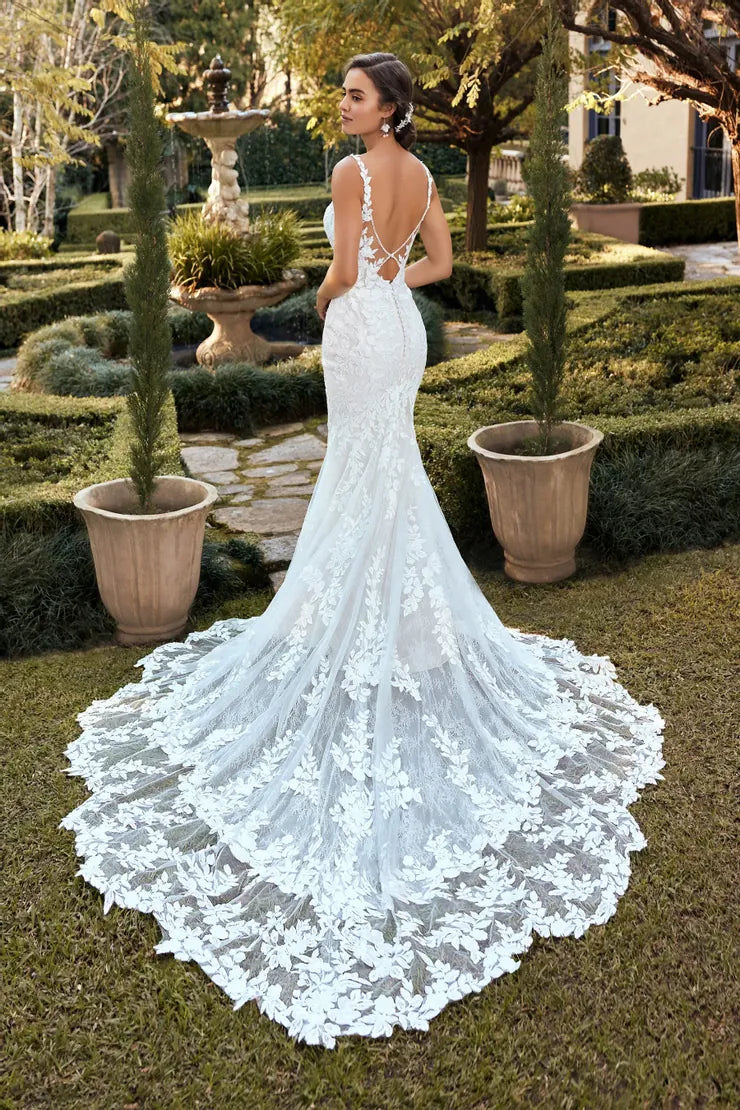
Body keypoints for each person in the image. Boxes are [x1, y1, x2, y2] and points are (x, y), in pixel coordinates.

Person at [59, 52, 666, 1050]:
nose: (339, 106)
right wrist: (383, 281)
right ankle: (405, 620)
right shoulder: (421, 177)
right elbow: (432, 266)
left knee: (360, 471)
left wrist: (330, 294)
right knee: (381, 475)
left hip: (355, 328)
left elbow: (343, 271)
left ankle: (365, 619)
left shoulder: (349, 174)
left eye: (350, 94)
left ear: (386, 107)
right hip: (404, 329)